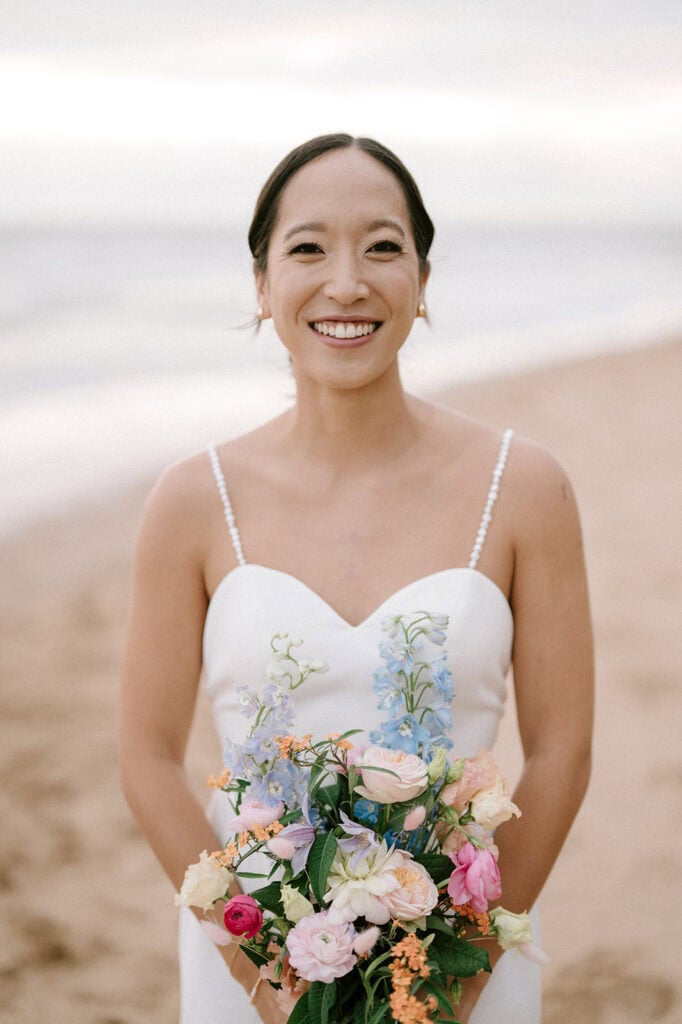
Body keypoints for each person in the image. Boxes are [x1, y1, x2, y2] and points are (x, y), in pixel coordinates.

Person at [119, 133, 593, 1024]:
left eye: (382, 247)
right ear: (262, 285)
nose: (346, 283)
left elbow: (564, 747)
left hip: (459, 952)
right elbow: (145, 755)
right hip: (251, 961)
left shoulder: (525, 488)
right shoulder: (190, 501)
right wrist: (254, 965)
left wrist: (462, 971)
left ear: (422, 279)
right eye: (307, 249)